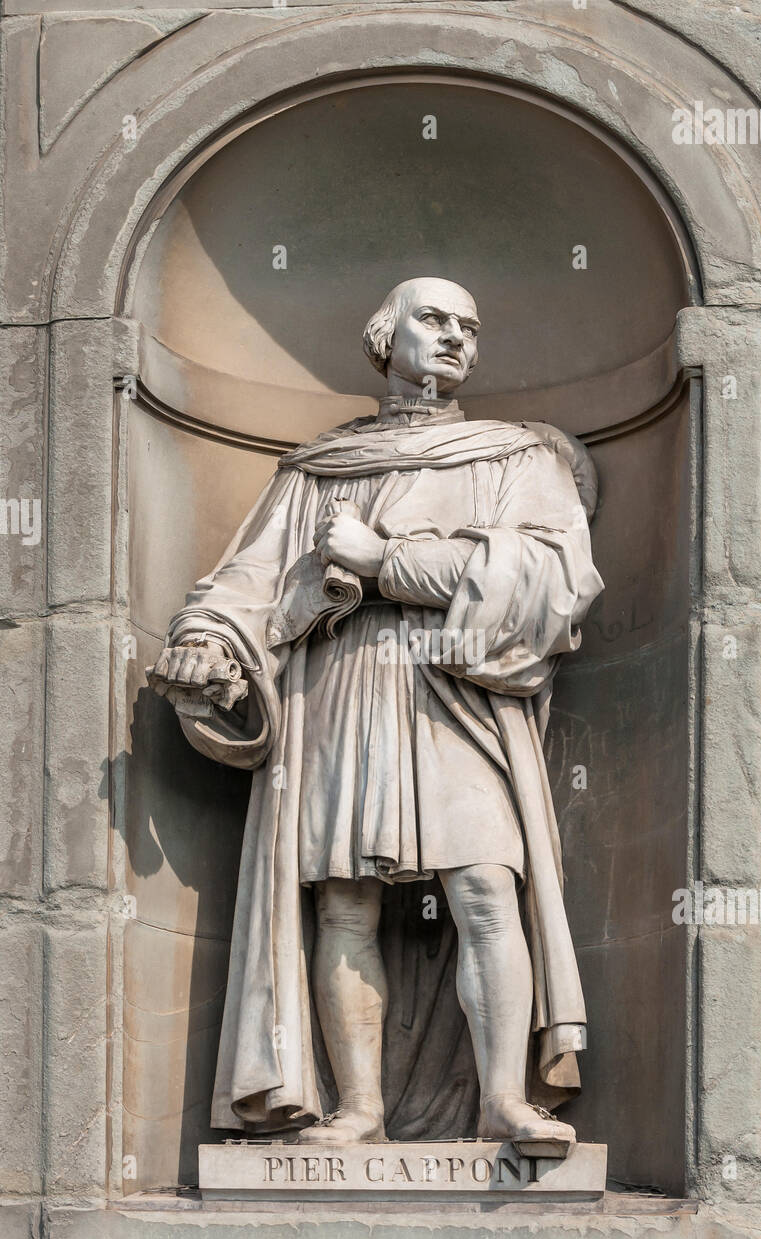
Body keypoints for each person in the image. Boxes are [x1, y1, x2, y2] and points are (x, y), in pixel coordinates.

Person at [149, 277, 604, 1151]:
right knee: (344, 905)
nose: (454, 338)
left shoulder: (514, 458)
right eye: (432, 319)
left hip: (457, 694)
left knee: (483, 887)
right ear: (382, 336)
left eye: (469, 326)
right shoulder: (318, 470)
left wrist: (387, 560)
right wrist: (206, 639)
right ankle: (357, 1109)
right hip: (341, 691)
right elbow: (249, 580)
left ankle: (503, 1102)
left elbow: (555, 580)